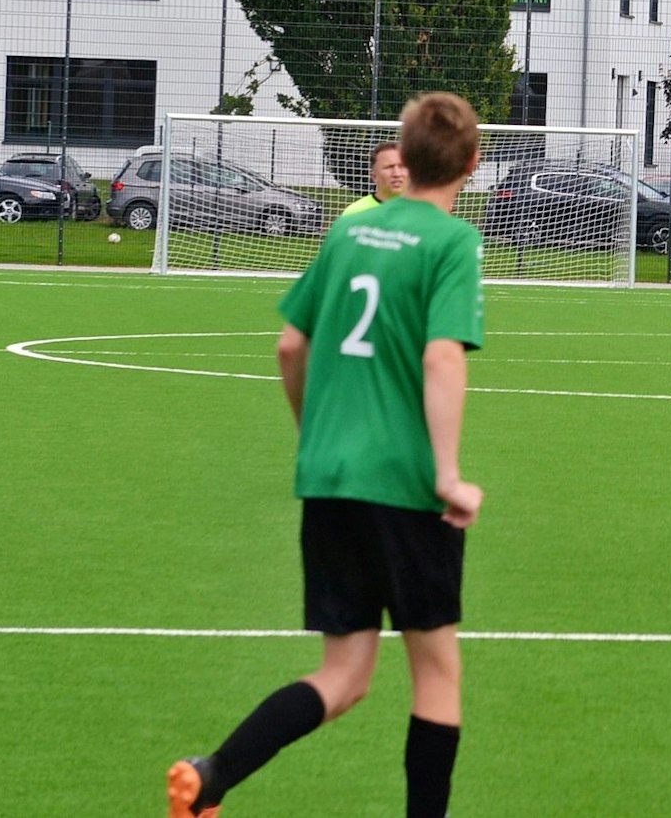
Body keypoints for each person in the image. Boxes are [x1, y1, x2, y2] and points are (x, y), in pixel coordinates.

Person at [167, 93, 487, 818]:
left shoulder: (349, 234)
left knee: (343, 675)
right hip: (406, 485)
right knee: (437, 675)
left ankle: (211, 776)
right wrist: (447, 474)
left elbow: (290, 345)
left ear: (405, 156)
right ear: (471, 162)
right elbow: (442, 355)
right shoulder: (452, 242)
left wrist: (314, 435)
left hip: (331, 478)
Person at [341, 140, 409, 216]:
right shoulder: (355, 212)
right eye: (389, 167)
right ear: (374, 176)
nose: (397, 174)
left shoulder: (420, 210)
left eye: (402, 166)